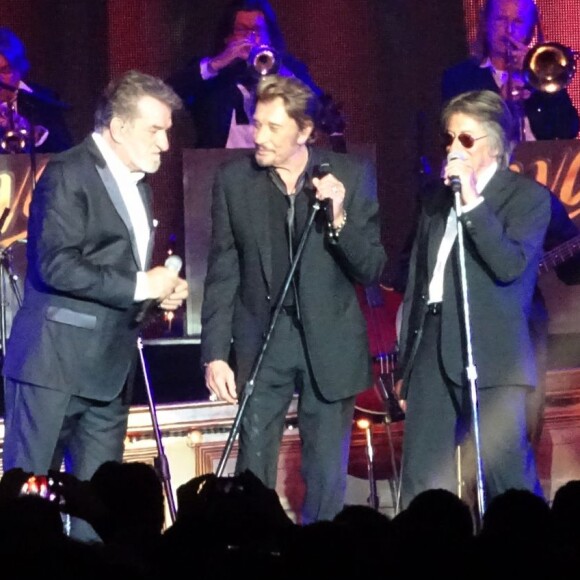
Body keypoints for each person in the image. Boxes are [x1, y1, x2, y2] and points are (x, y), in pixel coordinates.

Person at [1, 69, 189, 541]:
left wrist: (158, 295)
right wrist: (141, 284)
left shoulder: (139, 184)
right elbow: (55, 265)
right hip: (53, 368)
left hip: (108, 372)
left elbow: (124, 281)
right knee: (27, 507)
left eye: (167, 130)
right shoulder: (68, 172)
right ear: (120, 127)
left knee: (101, 513)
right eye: (155, 129)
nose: (165, 143)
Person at [201, 74, 386, 524]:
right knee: (254, 463)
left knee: (325, 472)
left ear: (304, 132)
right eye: (256, 123)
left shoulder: (350, 175)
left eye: (272, 127)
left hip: (330, 338)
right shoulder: (234, 180)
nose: (258, 136)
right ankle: (253, 548)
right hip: (262, 338)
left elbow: (372, 268)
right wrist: (214, 355)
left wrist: (338, 218)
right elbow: (223, 270)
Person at [395, 90, 551, 512]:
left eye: (467, 140)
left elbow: (508, 265)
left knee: (506, 477)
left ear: (498, 144)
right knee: (423, 481)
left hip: (493, 353)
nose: (453, 149)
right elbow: (417, 285)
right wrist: (407, 366)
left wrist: (472, 203)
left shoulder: (527, 199)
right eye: (449, 139)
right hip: (431, 346)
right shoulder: (433, 201)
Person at [166, 0, 326, 149]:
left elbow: (320, 110)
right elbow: (168, 94)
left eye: (257, 30)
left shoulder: (290, 68)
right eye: (242, 30)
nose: (250, 38)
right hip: (216, 165)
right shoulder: (212, 71)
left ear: (269, 36)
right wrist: (217, 64)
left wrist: (284, 74)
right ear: (228, 36)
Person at [441, 0, 579, 142]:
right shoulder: (459, 77)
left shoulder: (541, 75)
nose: (509, 30)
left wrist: (542, 78)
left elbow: (569, 130)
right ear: (486, 24)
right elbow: (459, 133)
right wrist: (500, 102)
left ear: (530, 30)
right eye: (501, 20)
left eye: (518, 22)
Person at [0, 27, 72, 153]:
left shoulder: (42, 100)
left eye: (5, 70)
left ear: (19, 68)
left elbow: (65, 151)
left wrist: (31, 132)